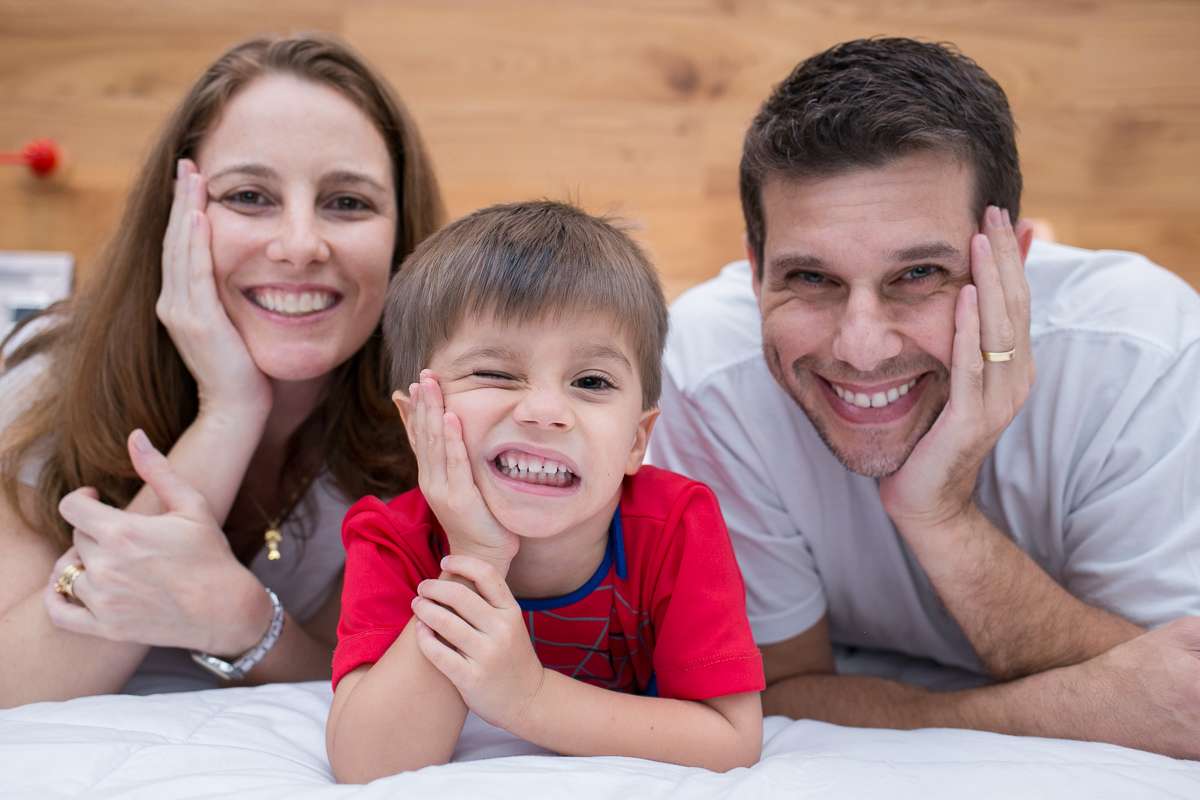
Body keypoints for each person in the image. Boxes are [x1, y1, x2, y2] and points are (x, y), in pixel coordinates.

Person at [651, 38, 1200, 759]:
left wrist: (938, 513)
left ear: (1012, 266)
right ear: (756, 275)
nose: (861, 346)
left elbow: (1174, 695)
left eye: (918, 274)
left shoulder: (1139, 354)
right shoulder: (706, 371)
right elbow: (776, 686)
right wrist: (1041, 714)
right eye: (811, 280)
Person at [0, 32, 444, 705]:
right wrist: (229, 409)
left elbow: (367, 681)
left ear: (402, 240)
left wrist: (243, 620)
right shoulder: (52, 377)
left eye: (348, 202)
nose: (300, 245)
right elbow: (18, 681)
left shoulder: (430, 424)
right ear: (174, 219)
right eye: (249, 197)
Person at [325, 201, 764, 782]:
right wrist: (475, 557)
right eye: (496, 373)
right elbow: (369, 765)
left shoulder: (676, 526)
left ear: (637, 440)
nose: (545, 411)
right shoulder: (393, 541)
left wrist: (530, 700)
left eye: (591, 381)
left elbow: (731, 739)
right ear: (417, 422)